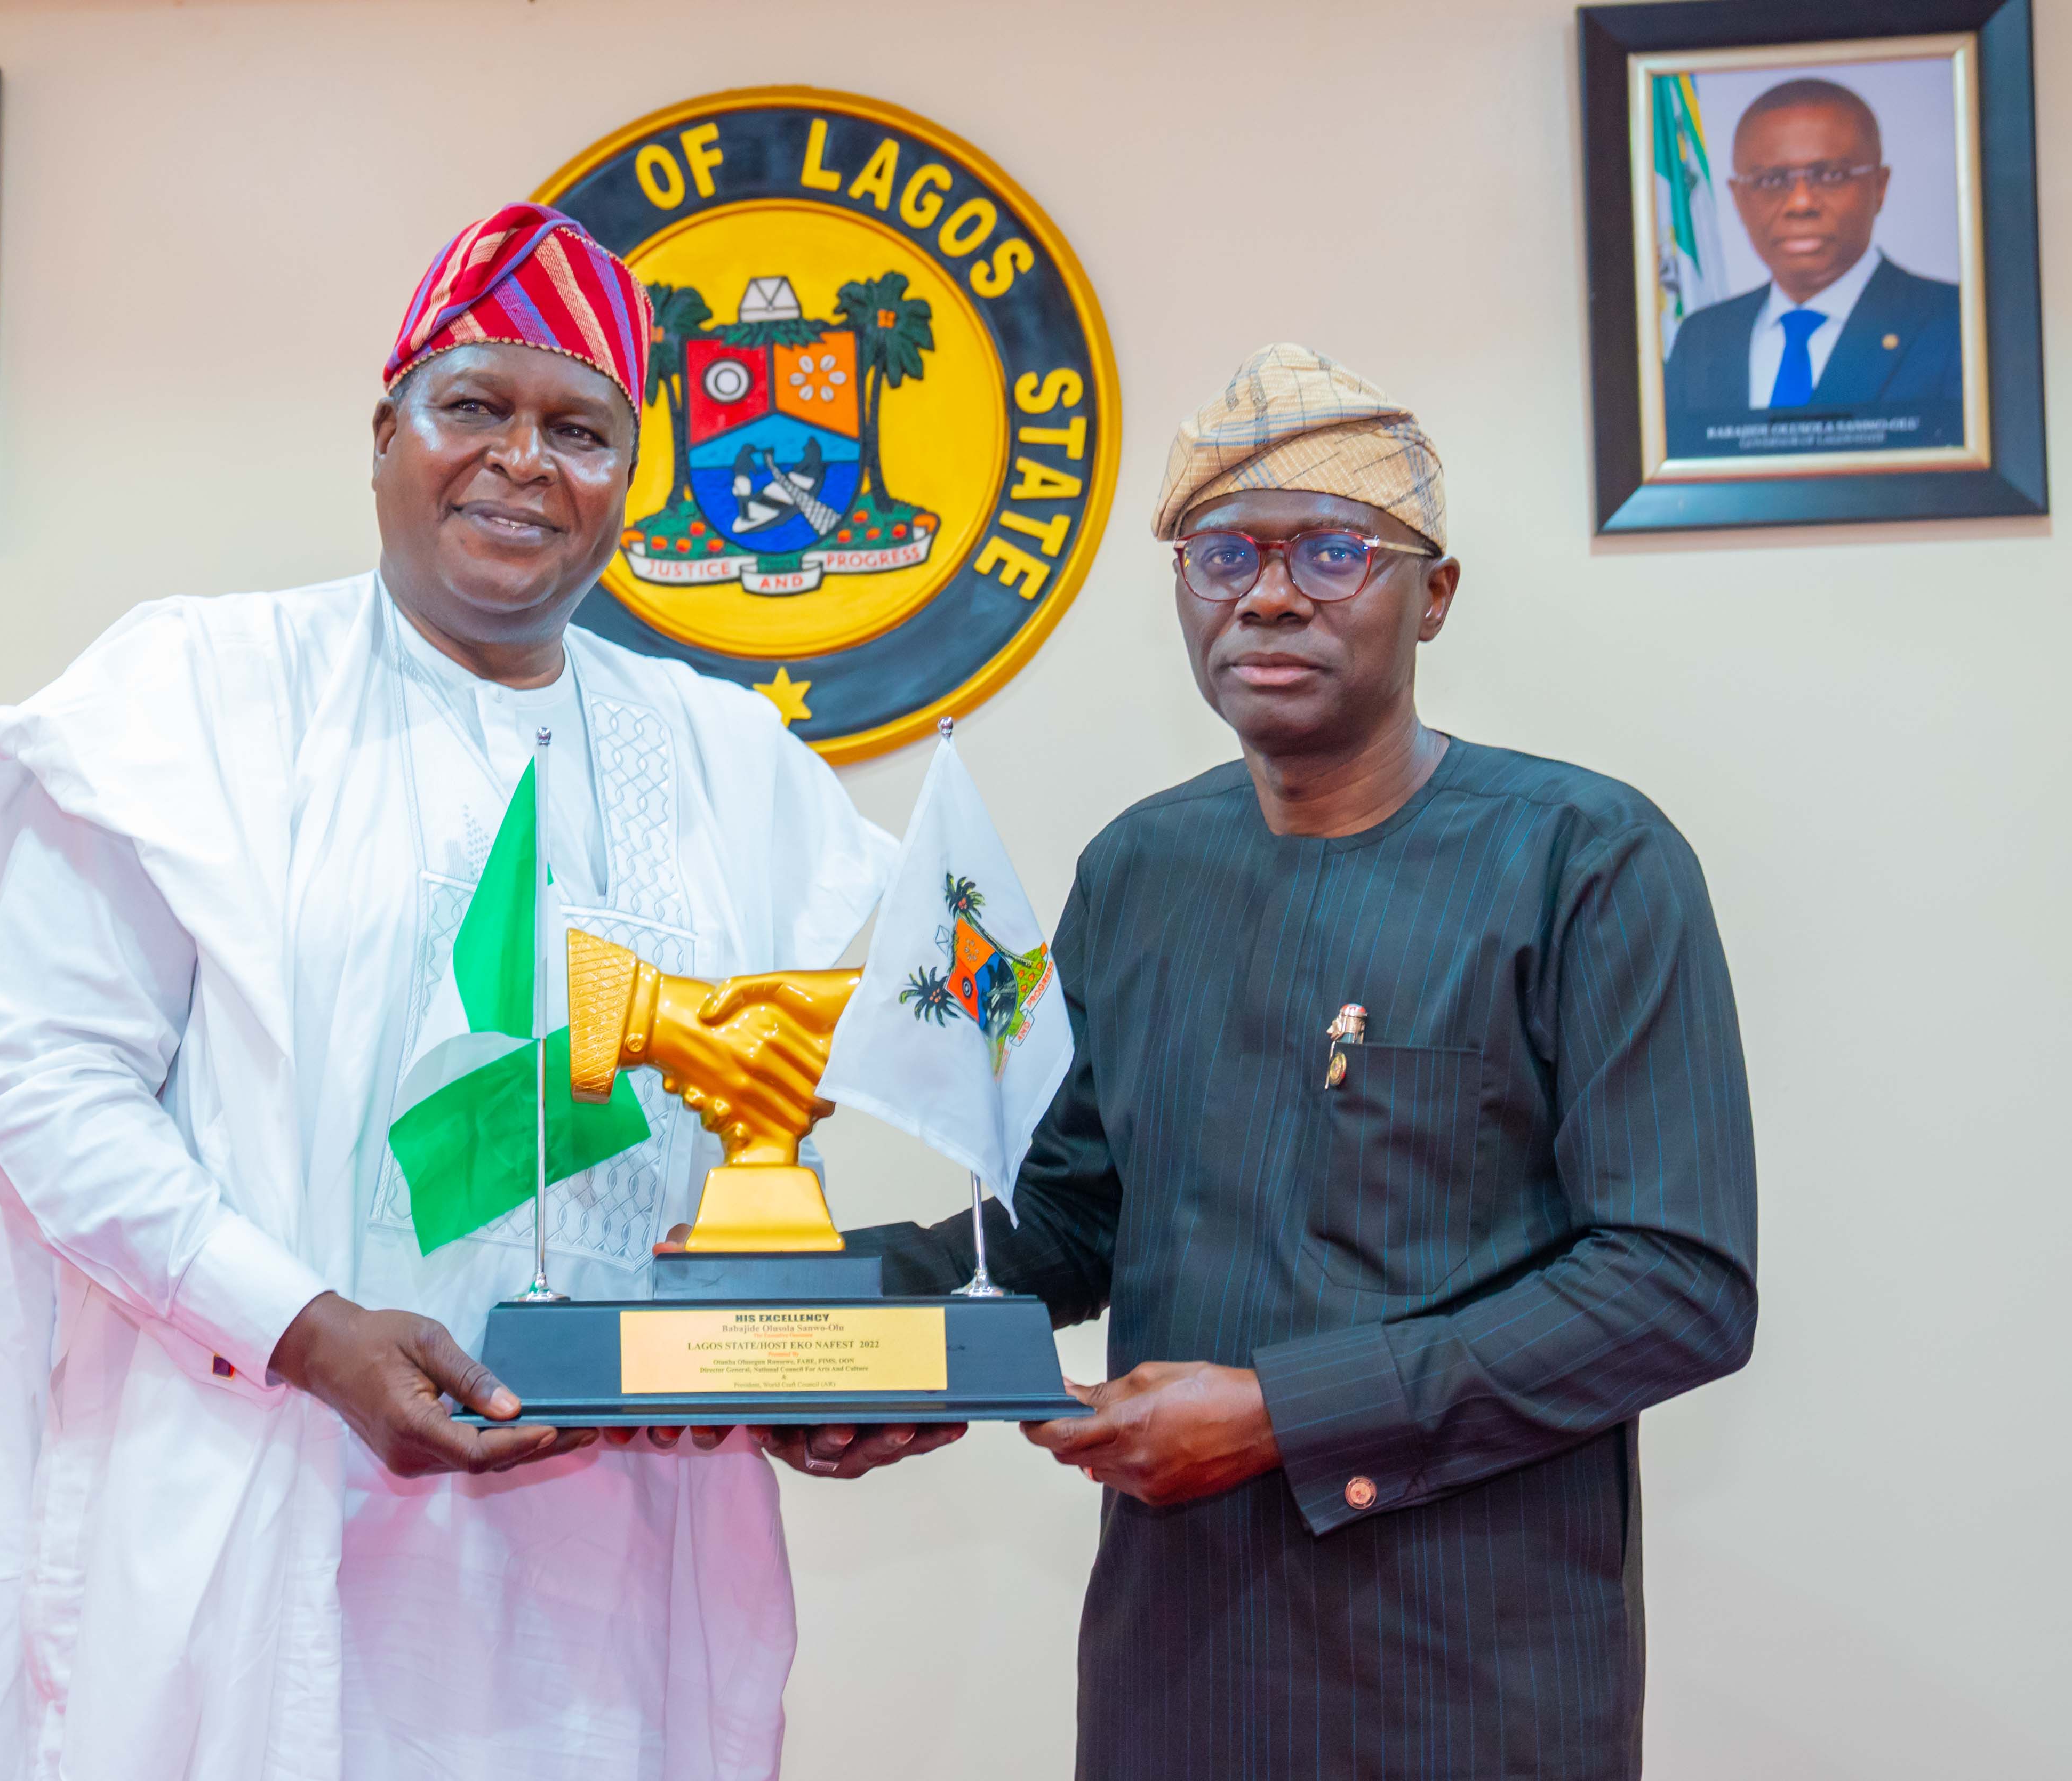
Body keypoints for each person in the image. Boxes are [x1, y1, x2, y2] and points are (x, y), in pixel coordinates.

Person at [0, 203, 902, 1781]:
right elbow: (38, 1094)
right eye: (474, 408)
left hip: (617, 1578)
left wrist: (800, 1364)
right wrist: (306, 1332)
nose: (522, 460)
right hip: (258, 1504)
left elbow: (768, 1120)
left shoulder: (731, 767)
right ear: (384, 433)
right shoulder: (197, 697)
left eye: (577, 428)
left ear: (627, 483)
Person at [837, 344, 1760, 1779]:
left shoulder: (1588, 860)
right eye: (1223, 554)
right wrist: (856, 1333)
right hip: (1176, 1666)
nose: (1270, 594)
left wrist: (1285, 1415)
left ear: (1433, 592)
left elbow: (1677, 1286)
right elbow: (1077, 1217)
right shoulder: (1142, 867)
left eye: (1335, 550)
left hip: (1470, 1676)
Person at [1664, 77, 1962, 448]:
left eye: (1831, 176)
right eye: (1771, 180)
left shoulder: (1955, 323)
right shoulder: (1703, 338)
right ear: (1739, 198)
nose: (1801, 203)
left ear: (1879, 187)